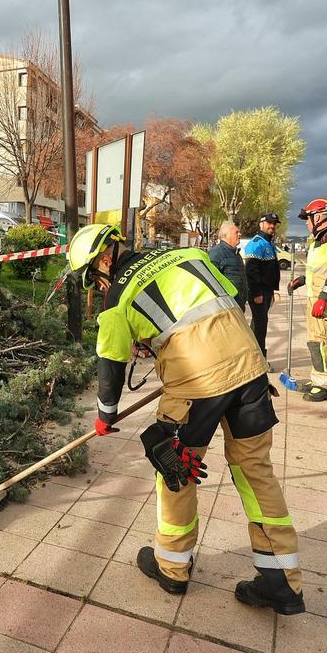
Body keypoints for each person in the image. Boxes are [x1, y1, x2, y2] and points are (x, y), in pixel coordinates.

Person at [67, 223, 304, 615]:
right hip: (249, 368)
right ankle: (282, 581)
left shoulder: (116, 301)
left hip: (194, 385)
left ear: (104, 260)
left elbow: (109, 364)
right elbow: (228, 300)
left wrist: (105, 416)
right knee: (255, 471)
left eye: (93, 277)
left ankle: (173, 567)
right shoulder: (191, 256)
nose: (96, 286)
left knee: (176, 469)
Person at [287, 199, 327, 402]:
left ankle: (323, 386)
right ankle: (316, 380)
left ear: (320, 216)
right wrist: (301, 280)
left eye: (308, 218)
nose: (306, 222)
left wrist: (323, 298)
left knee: (320, 341)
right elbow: (318, 270)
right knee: (314, 340)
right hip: (316, 297)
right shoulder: (318, 240)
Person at [243, 213, 282, 358]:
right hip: (259, 292)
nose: (272, 226)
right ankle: (260, 359)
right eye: (269, 223)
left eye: (274, 224)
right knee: (261, 326)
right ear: (261, 224)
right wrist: (257, 293)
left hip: (267, 291)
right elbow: (251, 271)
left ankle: (254, 357)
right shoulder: (256, 243)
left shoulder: (268, 242)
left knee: (258, 324)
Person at [208, 221, 248, 311]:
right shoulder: (216, 254)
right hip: (226, 308)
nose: (239, 234)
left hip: (237, 306)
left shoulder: (236, 253)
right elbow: (211, 282)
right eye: (236, 232)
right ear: (226, 235)